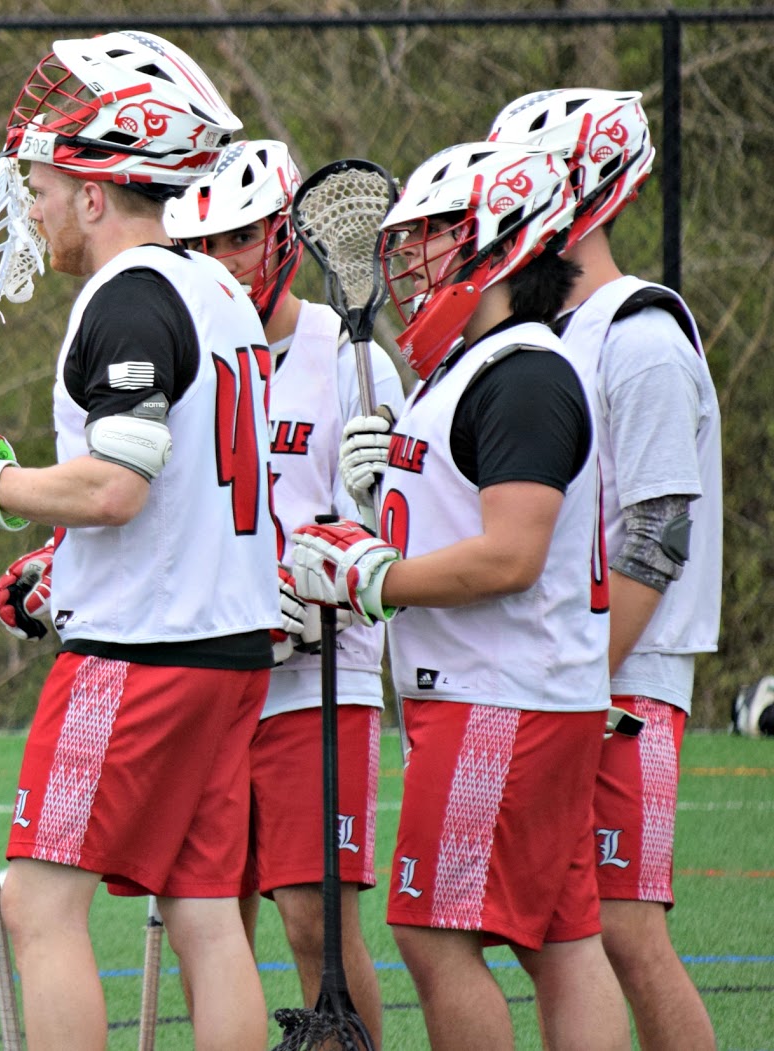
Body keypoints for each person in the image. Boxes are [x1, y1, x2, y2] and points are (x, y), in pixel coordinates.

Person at [0, 32, 279, 1051]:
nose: (34, 208)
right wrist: (60, 561)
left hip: (142, 654)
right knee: (203, 910)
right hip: (229, 642)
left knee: (39, 902)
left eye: (43, 188)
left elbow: (114, 487)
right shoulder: (219, 291)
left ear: (95, 194)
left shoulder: (130, 295)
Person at [290, 140, 629, 1051]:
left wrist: (373, 578)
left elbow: (512, 555)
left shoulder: (522, 373)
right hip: (518, 691)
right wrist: (378, 501)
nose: (411, 256)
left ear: (506, 241)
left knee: (435, 934)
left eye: (438, 232)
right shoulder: (473, 368)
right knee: (562, 940)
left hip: (499, 697)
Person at [489, 88, 722, 1051]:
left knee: (625, 928)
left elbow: (659, 533)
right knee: (559, 929)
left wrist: (584, 673)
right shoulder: (549, 334)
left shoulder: (641, 336)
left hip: (622, 674)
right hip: (567, 668)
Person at [165, 138, 402, 1047]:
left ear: (281, 238)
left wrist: (323, 565)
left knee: (315, 919)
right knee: (209, 914)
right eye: (204, 244)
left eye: (238, 238)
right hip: (214, 667)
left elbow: (384, 531)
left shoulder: (346, 355)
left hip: (319, 674)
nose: (221, 261)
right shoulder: (186, 353)